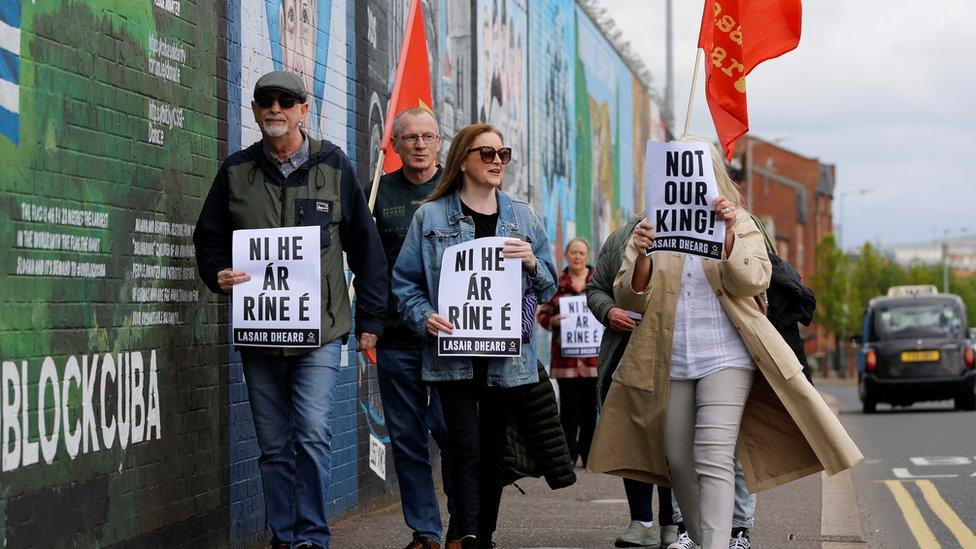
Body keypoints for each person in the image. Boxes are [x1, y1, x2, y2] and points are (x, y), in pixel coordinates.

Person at [587, 137, 862, 549]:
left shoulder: (741, 222)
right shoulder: (650, 224)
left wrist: (729, 236)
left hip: (727, 356)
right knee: (678, 462)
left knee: (713, 458)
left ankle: (715, 543)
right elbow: (628, 295)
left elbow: (753, 281)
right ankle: (704, 538)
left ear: (710, 172)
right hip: (671, 358)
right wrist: (643, 254)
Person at [193, 70, 387, 549]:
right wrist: (217, 272)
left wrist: (370, 323)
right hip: (259, 335)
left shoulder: (334, 166)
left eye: (286, 101)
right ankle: (284, 535)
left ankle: (312, 538)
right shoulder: (236, 172)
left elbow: (366, 248)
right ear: (256, 110)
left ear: (304, 110)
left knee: (313, 432)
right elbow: (209, 238)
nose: (275, 108)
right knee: (275, 445)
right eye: (266, 101)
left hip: (320, 333)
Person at [392, 123, 557, 549]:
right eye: (486, 154)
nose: (497, 161)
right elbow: (405, 283)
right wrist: (424, 316)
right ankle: (465, 533)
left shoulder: (523, 217)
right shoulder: (429, 217)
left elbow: (551, 285)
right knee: (463, 446)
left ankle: (481, 535)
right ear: (463, 160)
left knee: (493, 450)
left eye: (503, 153)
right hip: (452, 355)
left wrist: (532, 264)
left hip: (506, 357)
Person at [373, 106, 453, 549]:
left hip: (453, 337)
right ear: (395, 146)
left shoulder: (459, 190)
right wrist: (368, 324)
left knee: (450, 430)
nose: (420, 145)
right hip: (396, 336)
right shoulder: (377, 195)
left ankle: (464, 522)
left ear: (440, 142)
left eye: (428, 137)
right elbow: (366, 265)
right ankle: (426, 529)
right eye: (410, 138)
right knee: (406, 437)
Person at [587, 218, 677, 549]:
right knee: (632, 435)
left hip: (679, 355)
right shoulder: (624, 236)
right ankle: (641, 521)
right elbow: (596, 288)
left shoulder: (702, 232)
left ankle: (672, 522)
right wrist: (609, 311)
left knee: (672, 439)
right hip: (627, 355)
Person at [536, 238, 599, 467]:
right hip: (566, 362)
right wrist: (554, 320)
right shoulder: (557, 284)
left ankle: (589, 454)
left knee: (590, 413)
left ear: (587, 256)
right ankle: (569, 455)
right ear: (567, 255)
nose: (577, 256)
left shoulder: (598, 283)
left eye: (581, 253)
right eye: (573, 252)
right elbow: (542, 315)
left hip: (593, 361)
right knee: (569, 413)